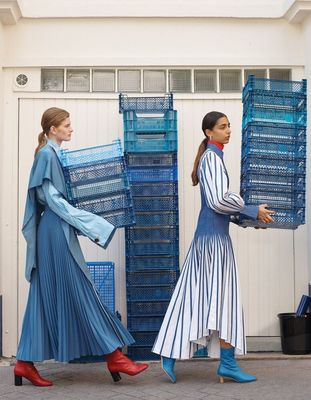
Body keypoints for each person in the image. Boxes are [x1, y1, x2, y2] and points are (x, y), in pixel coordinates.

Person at [14, 107, 148, 387]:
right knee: (80, 290)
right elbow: (53, 200)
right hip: (55, 231)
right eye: (66, 125)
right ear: (53, 129)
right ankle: (114, 356)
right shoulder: (46, 155)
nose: (71, 129)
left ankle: (24, 364)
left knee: (44, 295)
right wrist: (92, 223)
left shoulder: (52, 154)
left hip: (54, 230)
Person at [152, 111, 275, 383]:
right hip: (212, 244)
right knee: (213, 298)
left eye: (229, 126)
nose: (228, 130)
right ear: (209, 132)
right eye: (222, 127)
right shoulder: (211, 159)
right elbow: (219, 201)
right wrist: (252, 210)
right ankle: (216, 362)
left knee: (206, 299)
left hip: (212, 239)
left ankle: (210, 361)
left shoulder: (213, 157)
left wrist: (249, 216)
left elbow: (220, 206)